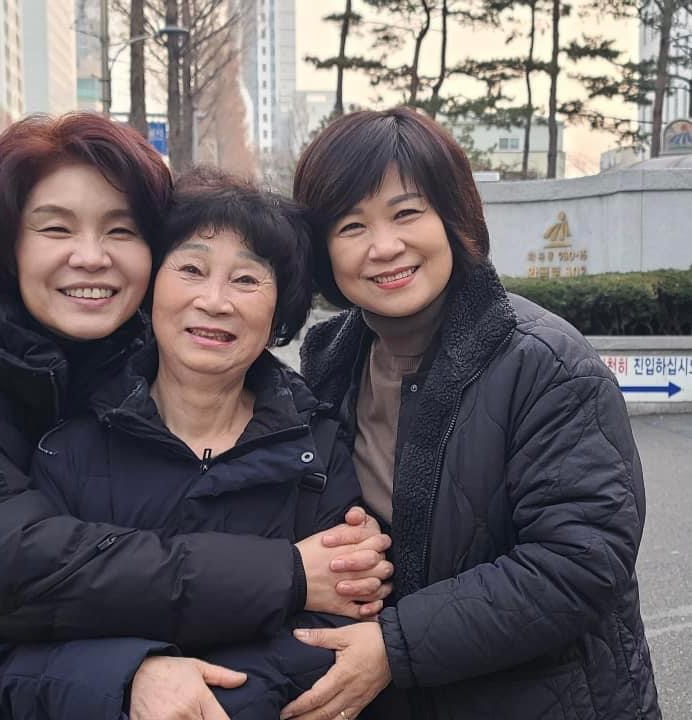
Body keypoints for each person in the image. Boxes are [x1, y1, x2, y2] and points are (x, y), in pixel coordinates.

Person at [0, 114, 391, 720]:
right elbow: (1, 568)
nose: (91, 257)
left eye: (120, 230)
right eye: (55, 227)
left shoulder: (123, 361)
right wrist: (284, 576)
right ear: (7, 239)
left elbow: (338, 622)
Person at [279, 107, 660, 720]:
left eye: (407, 213)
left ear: (452, 216)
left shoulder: (544, 362)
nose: (385, 246)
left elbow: (580, 561)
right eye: (351, 226)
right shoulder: (329, 367)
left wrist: (395, 647)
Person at [0, 169, 372, 720]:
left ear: (280, 311)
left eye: (246, 280)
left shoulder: (316, 451)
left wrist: (210, 703)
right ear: (150, 287)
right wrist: (130, 680)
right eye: (191, 269)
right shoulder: (69, 449)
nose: (215, 301)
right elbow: (3, 650)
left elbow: (341, 626)